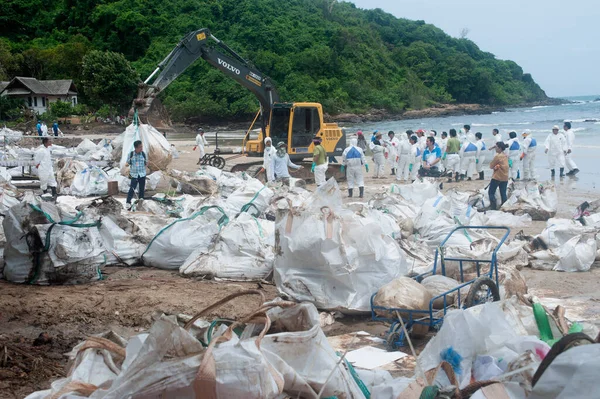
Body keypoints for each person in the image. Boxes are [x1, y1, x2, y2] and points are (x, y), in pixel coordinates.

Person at [126, 140, 147, 209]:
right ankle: (128, 202)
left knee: (141, 189)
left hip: (142, 174)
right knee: (132, 188)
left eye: (142, 147)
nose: (141, 148)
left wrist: (147, 163)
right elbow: (127, 163)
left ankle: (141, 202)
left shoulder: (143, 154)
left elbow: (146, 163)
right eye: (140, 147)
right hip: (133, 174)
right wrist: (127, 163)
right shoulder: (131, 154)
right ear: (136, 148)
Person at [488, 142, 509, 210]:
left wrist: (495, 167)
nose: (495, 149)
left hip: (497, 177)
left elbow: (491, 166)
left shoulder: (497, 156)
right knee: (503, 193)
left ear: (500, 148)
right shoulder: (505, 155)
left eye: (496, 147)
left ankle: (493, 207)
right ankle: (505, 207)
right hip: (505, 177)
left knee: (491, 192)